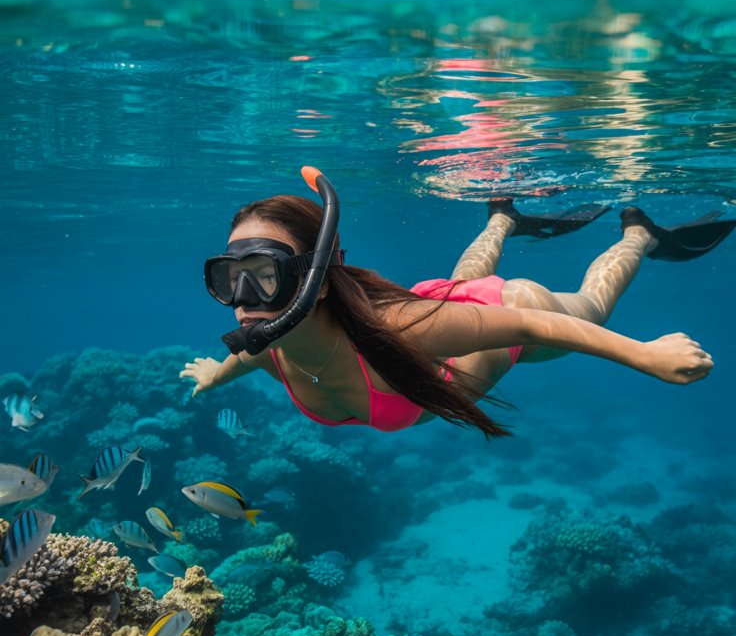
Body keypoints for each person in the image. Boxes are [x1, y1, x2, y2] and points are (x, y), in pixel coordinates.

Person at [180, 168, 730, 438]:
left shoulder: (404, 331)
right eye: (230, 278)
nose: (244, 302)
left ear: (317, 281)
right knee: (462, 281)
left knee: (591, 305)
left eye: (264, 276)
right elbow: (241, 360)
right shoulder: (269, 347)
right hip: (440, 305)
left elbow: (534, 325)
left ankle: (639, 235)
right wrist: (213, 373)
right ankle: (501, 220)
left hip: (510, 318)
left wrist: (645, 355)